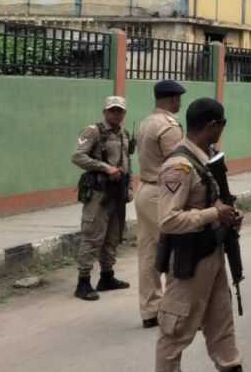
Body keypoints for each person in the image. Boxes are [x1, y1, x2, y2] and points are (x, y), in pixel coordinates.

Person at [153, 98, 251, 372]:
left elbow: (213, 202)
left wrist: (228, 215)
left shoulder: (205, 160)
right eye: (221, 125)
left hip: (212, 252)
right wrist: (212, 215)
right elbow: (168, 220)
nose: (222, 130)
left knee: (221, 320)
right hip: (189, 258)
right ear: (211, 126)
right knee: (175, 327)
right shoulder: (179, 165)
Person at [71, 95, 133, 301]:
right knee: (93, 236)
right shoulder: (94, 131)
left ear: (124, 113)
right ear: (105, 112)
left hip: (117, 192)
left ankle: (107, 276)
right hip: (98, 192)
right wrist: (105, 168)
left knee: (113, 237)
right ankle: (83, 281)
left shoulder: (124, 133)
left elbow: (126, 162)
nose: (116, 114)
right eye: (112, 110)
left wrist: (129, 186)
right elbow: (78, 156)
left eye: (120, 111)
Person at [135, 80, 186, 328]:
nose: (180, 102)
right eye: (178, 98)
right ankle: (174, 310)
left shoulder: (145, 122)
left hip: (144, 188)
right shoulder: (169, 127)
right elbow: (178, 164)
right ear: (173, 99)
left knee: (148, 253)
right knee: (174, 249)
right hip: (162, 192)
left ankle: (150, 310)